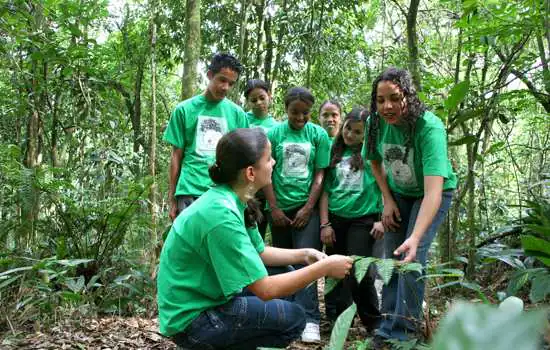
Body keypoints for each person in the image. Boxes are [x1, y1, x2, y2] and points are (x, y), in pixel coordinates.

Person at [157, 128, 353, 350]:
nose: (274, 163)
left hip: (209, 297)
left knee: (285, 273)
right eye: (268, 158)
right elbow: (265, 289)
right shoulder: (221, 215)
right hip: (193, 321)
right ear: (250, 172)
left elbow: (258, 252)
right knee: (295, 318)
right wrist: (324, 268)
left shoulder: (233, 199)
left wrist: (305, 254)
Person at [365, 68, 457, 348]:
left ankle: (406, 332)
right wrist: (388, 200)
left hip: (432, 195)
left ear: (408, 95)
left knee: (411, 257)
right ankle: (388, 326)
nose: (387, 106)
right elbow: (374, 161)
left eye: (394, 98)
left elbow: (433, 191)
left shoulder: (429, 128)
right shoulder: (374, 123)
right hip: (398, 194)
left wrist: (415, 237)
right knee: (393, 259)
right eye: (381, 100)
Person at [263, 87, 331, 342]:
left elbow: (320, 174)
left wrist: (308, 207)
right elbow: (266, 172)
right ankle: (286, 315)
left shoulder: (318, 135)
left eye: (305, 113)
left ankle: (310, 318)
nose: (300, 117)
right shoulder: (274, 134)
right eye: (295, 112)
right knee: (282, 263)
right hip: (279, 209)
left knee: (306, 259)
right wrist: (275, 208)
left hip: (307, 208)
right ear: (286, 110)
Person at [319, 107, 384, 330]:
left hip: (363, 220)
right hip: (336, 219)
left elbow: (386, 188)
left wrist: (381, 219)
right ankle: (336, 319)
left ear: (365, 135)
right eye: (348, 128)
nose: (350, 135)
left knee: (359, 271)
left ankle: (374, 324)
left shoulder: (372, 156)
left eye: (357, 132)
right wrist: (325, 223)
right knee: (334, 270)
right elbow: (326, 192)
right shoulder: (334, 154)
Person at [163, 53, 249, 221]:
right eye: (222, 80)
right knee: (191, 244)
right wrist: (172, 197)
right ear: (210, 75)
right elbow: (176, 156)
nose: (225, 87)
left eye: (231, 83)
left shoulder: (238, 114)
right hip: (190, 189)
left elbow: (244, 158)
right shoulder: (184, 110)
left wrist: (244, 196)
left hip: (224, 191)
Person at [244, 79, 280, 238]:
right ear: (248, 102)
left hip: (267, 187)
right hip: (246, 186)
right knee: (245, 231)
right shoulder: (242, 119)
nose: (258, 103)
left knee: (259, 233)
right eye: (253, 100)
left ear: (269, 96)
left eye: (262, 98)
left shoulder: (277, 126)